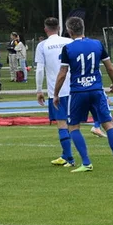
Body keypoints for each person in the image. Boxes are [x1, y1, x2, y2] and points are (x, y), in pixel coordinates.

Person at [53, 16, 113, 173]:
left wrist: (56, 94)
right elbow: (110, 68)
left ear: (69, 31)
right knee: (108, 124)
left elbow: (62, 73)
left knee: (73, 126)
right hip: (96, 90)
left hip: (78, 92)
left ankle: (86, 162)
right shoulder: (97, 44)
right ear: (83, 28)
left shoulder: (68, 49)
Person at [35, 17, 75, 167]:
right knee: (73, 123)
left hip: (56, 90)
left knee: (62, 123)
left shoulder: (43, 45)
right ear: (59, 28)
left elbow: (39, 70)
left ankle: (70, 158)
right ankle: (65, 155)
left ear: (45, 29)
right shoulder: (70, 41)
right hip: (74, 89)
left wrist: (39, 90)